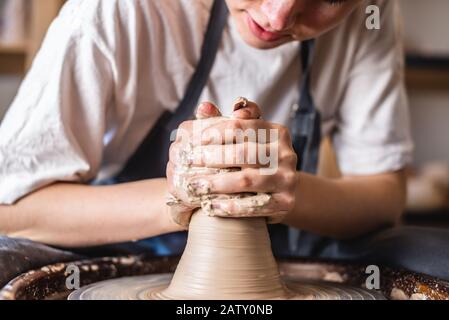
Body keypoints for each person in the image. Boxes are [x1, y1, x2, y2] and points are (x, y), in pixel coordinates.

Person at [0, 0, 414, 284]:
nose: (278, 15)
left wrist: (286, 192)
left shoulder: (371, 12)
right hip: (118, 250)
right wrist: (190, 192)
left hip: (280, 263)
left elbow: (384, 197)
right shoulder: (119, 9)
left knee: (433, 257)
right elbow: (10, 209)